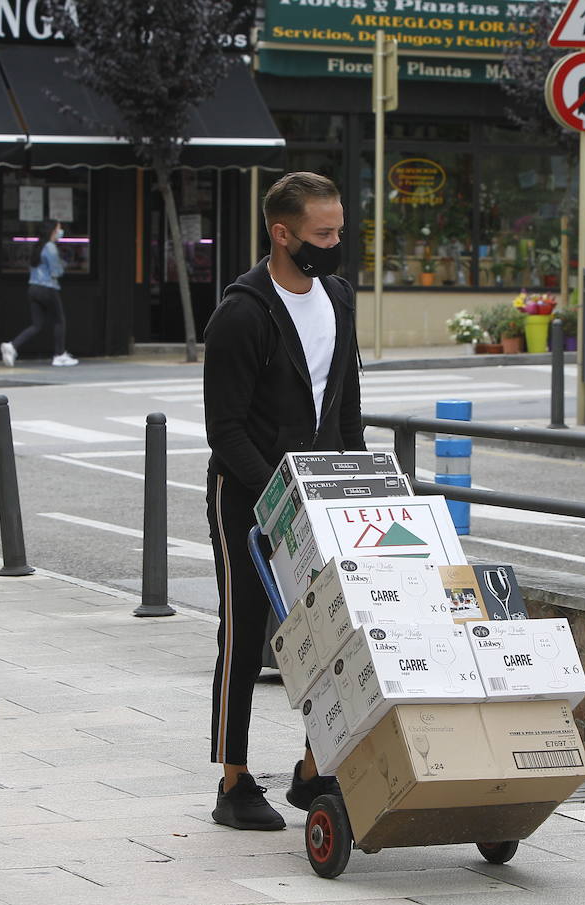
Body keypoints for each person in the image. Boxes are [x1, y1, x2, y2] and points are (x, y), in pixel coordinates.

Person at [202, 172, 364, 830]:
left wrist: (358, 489)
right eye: (322, 234)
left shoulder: (340, 298)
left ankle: (312, 769)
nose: (333, 244)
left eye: (338, 232)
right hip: (247, 494)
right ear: (282, 233)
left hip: (322, 491)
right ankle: (234, 780)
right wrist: (278, 499)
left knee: (327, 631)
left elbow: (346, 405)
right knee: (247, 633)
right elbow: (226, 429)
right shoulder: (241, 313)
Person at [0, 219, 78, 368]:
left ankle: (12, 346)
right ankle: (59, 355)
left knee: (37, 324)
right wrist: (65, 264)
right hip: (48, 288)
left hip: (33, 288)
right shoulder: (50, 247)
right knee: (59, 320)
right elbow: (56, 271)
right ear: (52, 231)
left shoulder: (38, 246)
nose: (60, 232)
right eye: (59, 229)